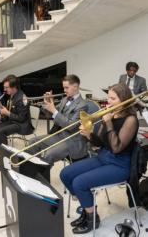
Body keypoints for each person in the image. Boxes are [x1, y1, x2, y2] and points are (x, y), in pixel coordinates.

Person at [60, 83, 138, 234]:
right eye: (108, 97)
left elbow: (116, 147)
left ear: (123, 99)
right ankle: (87, 207)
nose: (108, 101)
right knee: (66, 174)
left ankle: (92, 219)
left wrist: (108, 122)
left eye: (112, 98)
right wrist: (89, 134)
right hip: (103, 157)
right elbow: (99, 143)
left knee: (79, 183)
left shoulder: (131, 120)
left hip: (119, 165)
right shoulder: (110, 113)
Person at [26, 74, 87, 167]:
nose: (64, 90)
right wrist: (48, 103)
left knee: (49, 155)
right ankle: (32, 171)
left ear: (75, 87)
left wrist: (53, 109)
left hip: (71, 140)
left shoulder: (82, 105)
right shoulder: (64, 99)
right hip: (59, 135)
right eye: (64, 88)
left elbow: (71, 126)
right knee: (32, 142)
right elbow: (51, 115)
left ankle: (42, 177)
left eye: (66, 88)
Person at [0, 74, 34, 171]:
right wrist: (3, 113)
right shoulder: (12, 95)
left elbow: (21, 118)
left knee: (1, 132)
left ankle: (6, 159)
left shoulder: (22, 98)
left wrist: (7, 113)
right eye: (4, 87)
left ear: (14, 87)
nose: (4, 90)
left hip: (23, 125)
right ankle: (3, 151)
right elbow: (12, 113)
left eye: (6, 87)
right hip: (13, 121)